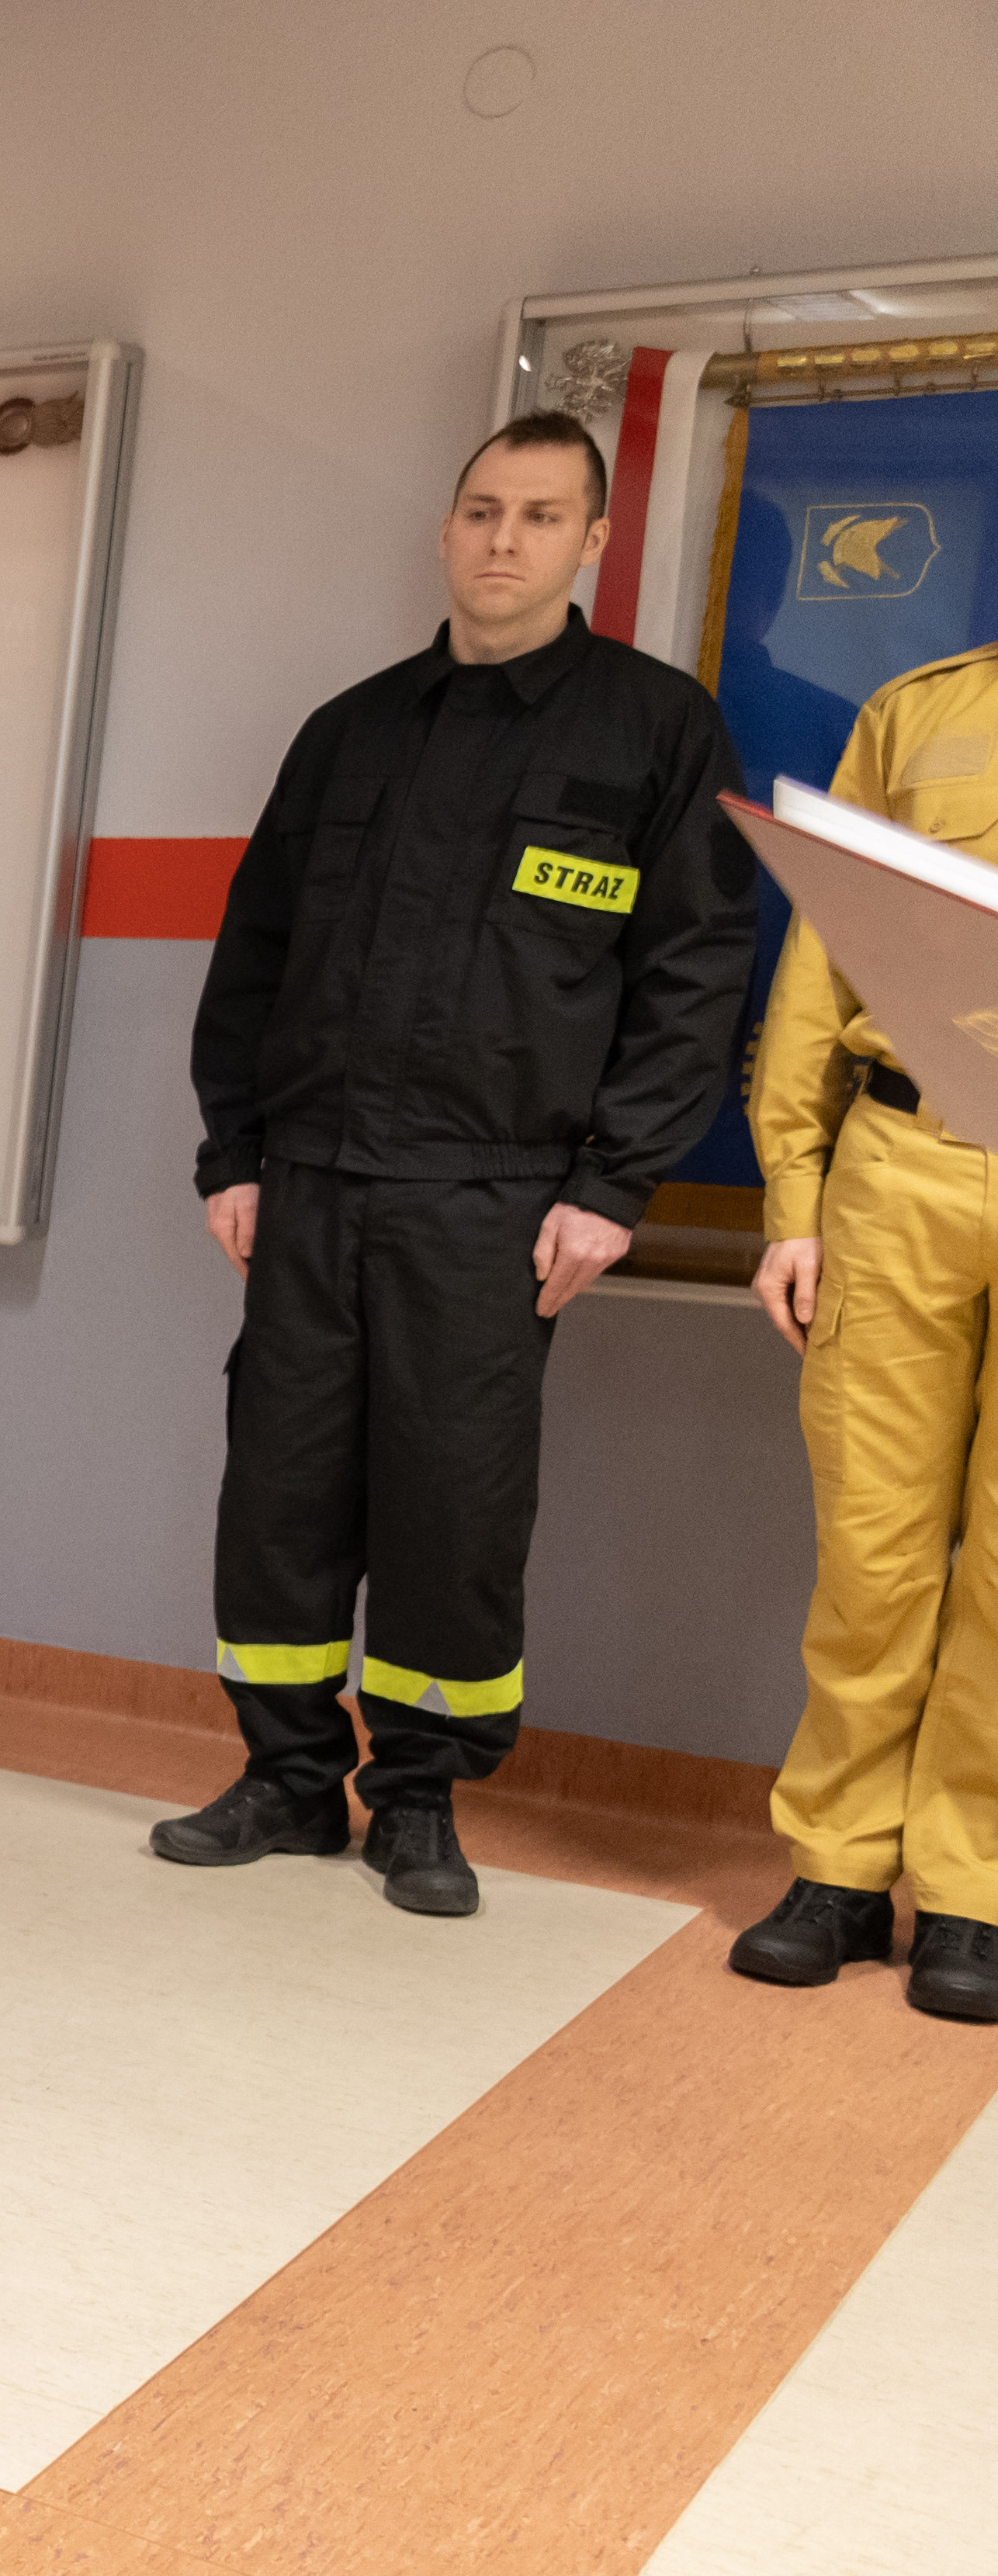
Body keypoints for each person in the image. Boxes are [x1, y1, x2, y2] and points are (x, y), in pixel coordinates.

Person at [152, 410, 755, 1919]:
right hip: (310, 1185)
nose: (505, 539)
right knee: (281, 1493)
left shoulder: (653, 731)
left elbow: (694, 978)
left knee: (454, 1503)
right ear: (447, 528)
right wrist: (234, 1151)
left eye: (542, 515)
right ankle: (288, 1779)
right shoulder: (350, 731)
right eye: (484, 509)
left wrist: (614, 1186)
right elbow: (255, 952)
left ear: (593, 541)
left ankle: (417, 1801)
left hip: (494, 1197)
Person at [733, 636, 998, 2017]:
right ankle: (835, 1867)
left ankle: (975, 1889)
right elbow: (827, 951)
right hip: (903, 1164)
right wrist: (794, 1193)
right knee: (873, 1549)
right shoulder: (918, 713)